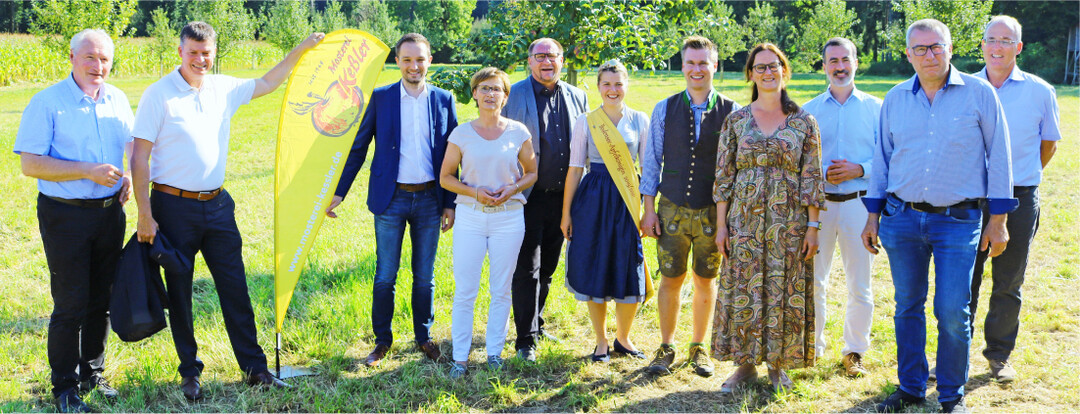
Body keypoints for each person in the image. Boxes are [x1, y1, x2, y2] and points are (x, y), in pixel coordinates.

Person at [130, 22, 324, 401]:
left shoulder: (224, 88)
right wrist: (144, 212)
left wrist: (301, 48)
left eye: (206, 53)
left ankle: (255, 369)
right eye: (193, 53)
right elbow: (139, 156)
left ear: (213, 52)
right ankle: (190, 373)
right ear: (180, 51)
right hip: (172, 207)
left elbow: (268, 82)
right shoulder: (159, 95)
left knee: (235, 288)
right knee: (181, 293)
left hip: (218, 206)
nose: (200, 60)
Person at [862, 19, 1014, 414]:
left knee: (951, 310)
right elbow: (882, 159)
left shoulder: (980, 94)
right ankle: (911, 387)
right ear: (908, 54)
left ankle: (951, 395)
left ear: (950, 49)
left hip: (958, 221)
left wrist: (998, 220)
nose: (929, 55)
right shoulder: (895, 98)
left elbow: (1000, 157)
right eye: (920, 49)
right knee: (907, 305)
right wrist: (873, 214)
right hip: (901, 219)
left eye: (936, 47)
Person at [14, 29, 132, 413]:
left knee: (103, 299)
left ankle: (92, 374)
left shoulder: (118, 99)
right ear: (72, 57)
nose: (98, 66)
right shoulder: (47, 102)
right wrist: (88, 171)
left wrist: (127, 176)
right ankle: (64, 387)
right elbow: (30, 163)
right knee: (71, 303)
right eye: (90, 57)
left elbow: (128, 147)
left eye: (105, 59)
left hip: (109, 213)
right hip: (65, 216)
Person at [325, 33, 459, 368]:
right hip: (391, 199)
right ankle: (382, 341)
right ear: (397, 61)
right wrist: (339, 192)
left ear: (430, 61)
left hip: (430, 199)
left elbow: (455, 157)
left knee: (424, 276)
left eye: (420, 59)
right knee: (386, 274)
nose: (414, 66)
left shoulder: (444, 99)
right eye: (407, 59)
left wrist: (450, 203)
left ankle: (424, 337)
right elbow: (358, 148)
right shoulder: (381, 98)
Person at [712, 43, 824, 394]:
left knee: (783, 289)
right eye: (760, 67)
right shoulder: (736, 121)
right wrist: (720, 226)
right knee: (743, 286)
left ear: (784, 70)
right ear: (750, 74)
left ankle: (778, 365)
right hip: (743, 221)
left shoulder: (804, 121)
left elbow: (812, 177)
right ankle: (744, 367)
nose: (767, 72)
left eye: (773, 66)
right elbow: (723, 177)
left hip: (788, 223)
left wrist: (813, 226)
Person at [967, 15, 1061, 383]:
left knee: (1008, 281)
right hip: (970, 200)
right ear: (983, 45)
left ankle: (999, 356)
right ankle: (953, 355)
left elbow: (1048, 145)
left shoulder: (1041, 91)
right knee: (962, 281)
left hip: (1020, 199)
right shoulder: (962, 87)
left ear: (1018, 47)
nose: (997, 46)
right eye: (991, 39)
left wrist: (1017, 179)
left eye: (1006, 40)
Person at [640, 36, 739, 377]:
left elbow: (734, 168)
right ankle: (666, 346)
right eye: (691, 63)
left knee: (705, 280)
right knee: (670, 278)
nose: (697, 69)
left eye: (703, 63)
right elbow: (652, 161)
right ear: (682, 66)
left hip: (713, 211)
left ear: (714, 66)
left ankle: (699, 346)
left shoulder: (732, 110)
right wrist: (648, 209)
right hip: (671, 207)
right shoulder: (664, 108)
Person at [440, 67, 537, 379]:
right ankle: (460, 358)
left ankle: (494, 353)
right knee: (465, 290)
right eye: (484, 89)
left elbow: (532, 172)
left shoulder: (519, 132)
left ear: (505, 96)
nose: (490, 94)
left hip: (509, 218)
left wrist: (514, 187)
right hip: (470, 217)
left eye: (496, 89)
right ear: (475, 95)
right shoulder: (461, 134)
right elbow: (445, 178)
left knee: (501, 289)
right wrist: (474, 192)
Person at [502, 38, 589, 361]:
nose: (546, 61)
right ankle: (525, 340)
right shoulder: (513, 94)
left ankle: (536, 323)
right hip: (525, 196)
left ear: (562, 60)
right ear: (529, 61)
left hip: (564, 199)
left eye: (552, 56)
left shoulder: (578, 96)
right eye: (539, 56)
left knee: (549, 267)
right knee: (527, 268)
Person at [801, 37, 881, 378]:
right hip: (818, 210)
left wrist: (859, 169)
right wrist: (819, 176)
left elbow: (892, 157)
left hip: (859, 206)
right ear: (823, 67)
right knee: (813, 282)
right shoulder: (808, 111)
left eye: (845, 59)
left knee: (859, 283)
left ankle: (854, 351)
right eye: (832, 60)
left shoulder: (877, 108)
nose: (840, 66)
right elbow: (798, 162)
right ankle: (812, 349)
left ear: (856, 62)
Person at [560, 60, 650, 362]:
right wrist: (566, 214)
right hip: (592, 200)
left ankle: (623, 338)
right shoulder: (586, 121)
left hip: (626, 200)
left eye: (618, 83)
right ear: (599, 87)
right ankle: (600, 341)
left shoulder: (639, 120)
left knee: (628, 266)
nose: (613, 90)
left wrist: (647, 211)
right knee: (594, 265)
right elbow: (574, 170)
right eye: (607, 84)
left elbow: (648, 171)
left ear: (626, 85)